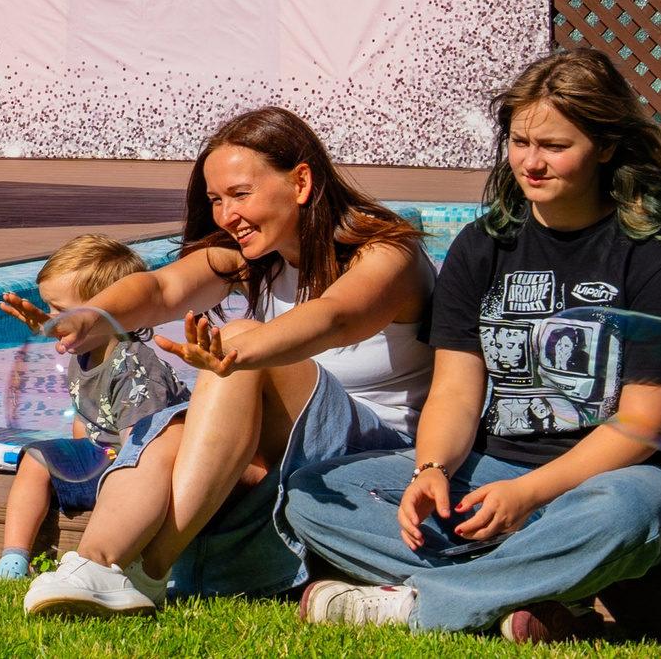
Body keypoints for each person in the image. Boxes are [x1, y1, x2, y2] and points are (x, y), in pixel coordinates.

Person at [287, 49, 661, 640]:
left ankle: (425, 604)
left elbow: (646, 421)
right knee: (312, 494)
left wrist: (528, 494)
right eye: (519, 142)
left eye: (555, 147)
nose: (531, 164)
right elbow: (458, 394)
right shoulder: (482, 246)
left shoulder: (658, 256)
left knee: (626, 514)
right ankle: (544, 592)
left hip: (625, 479)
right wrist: (432, 468)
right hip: (490, 472)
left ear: (608, 146)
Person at [21, 107, 433, 618]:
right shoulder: (251, 258)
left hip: (383, 454)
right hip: (293, 448)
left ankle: (151, 571)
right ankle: (96, 564)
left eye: (240, 195)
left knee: (235, 340)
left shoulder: (387, 253)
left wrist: (237, 352)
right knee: (173, 429)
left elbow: (334, 319)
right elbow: (161, 287)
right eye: (216, 200)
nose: (225, 215)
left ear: (301, 182)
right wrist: (94, 316)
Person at [0, 235, 190, 582]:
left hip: (142, 477)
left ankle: (112, 556)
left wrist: (111, 480)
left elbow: (145, 449)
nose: (51, 320)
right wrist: (75, 458)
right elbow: (84, 421)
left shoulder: (134, 368)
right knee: (36, 457)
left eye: (61, 311)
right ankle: (13, 560)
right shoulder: (81, 352)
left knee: (122, 469)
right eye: (48, 307)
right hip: (104, 463)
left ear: (110, 313)